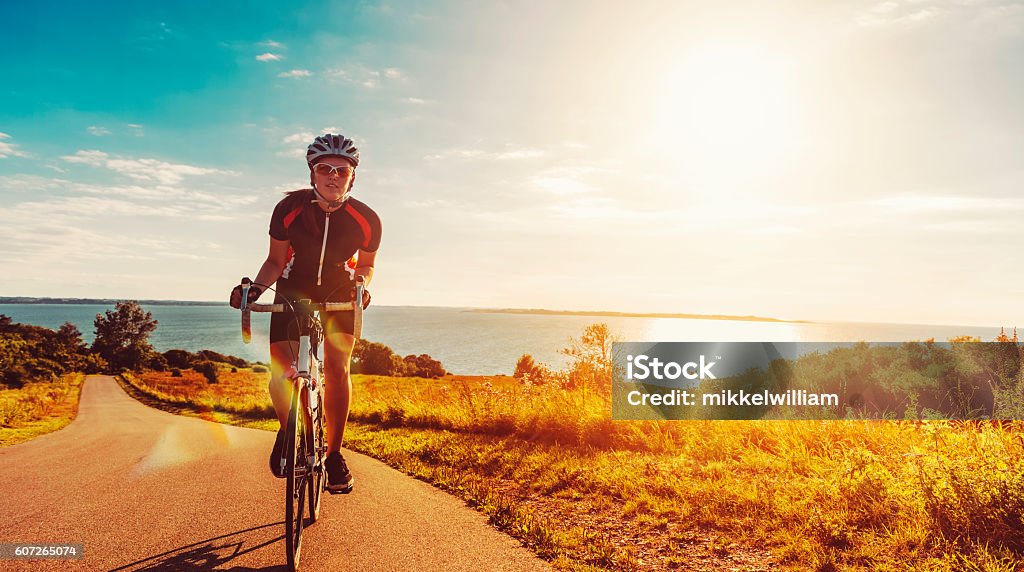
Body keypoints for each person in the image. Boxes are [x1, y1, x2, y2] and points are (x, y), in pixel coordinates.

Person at [230, 133, 381, 493]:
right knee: (280, 370)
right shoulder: (289, 210)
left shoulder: (367, 219)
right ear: (312, 174)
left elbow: (367, 265)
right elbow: (274, 260)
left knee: (337, 364)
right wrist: (254, 293)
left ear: (352, 176)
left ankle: (333, 455)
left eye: (341, 170)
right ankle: (290, 431)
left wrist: (360, 285)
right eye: (324, 169)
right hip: (293, 287)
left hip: (338, 290)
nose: (333, 175)